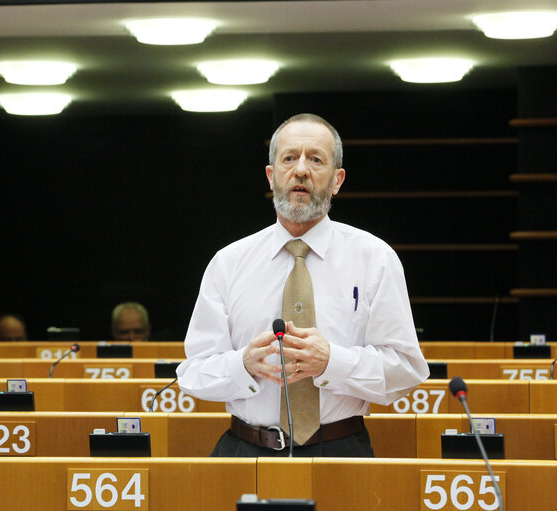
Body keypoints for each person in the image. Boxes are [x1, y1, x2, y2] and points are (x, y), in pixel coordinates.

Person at [176, 113, 429, 457]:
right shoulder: (228, 263)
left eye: (316, 159)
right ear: (272, 175)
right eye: (289, 158)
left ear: (337, 180)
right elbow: (194, 372)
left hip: (340, 449)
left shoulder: (375, 258)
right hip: (245, 449)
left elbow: (406, 370)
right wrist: (244, 365)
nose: (301, 170)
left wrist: (332, 362)